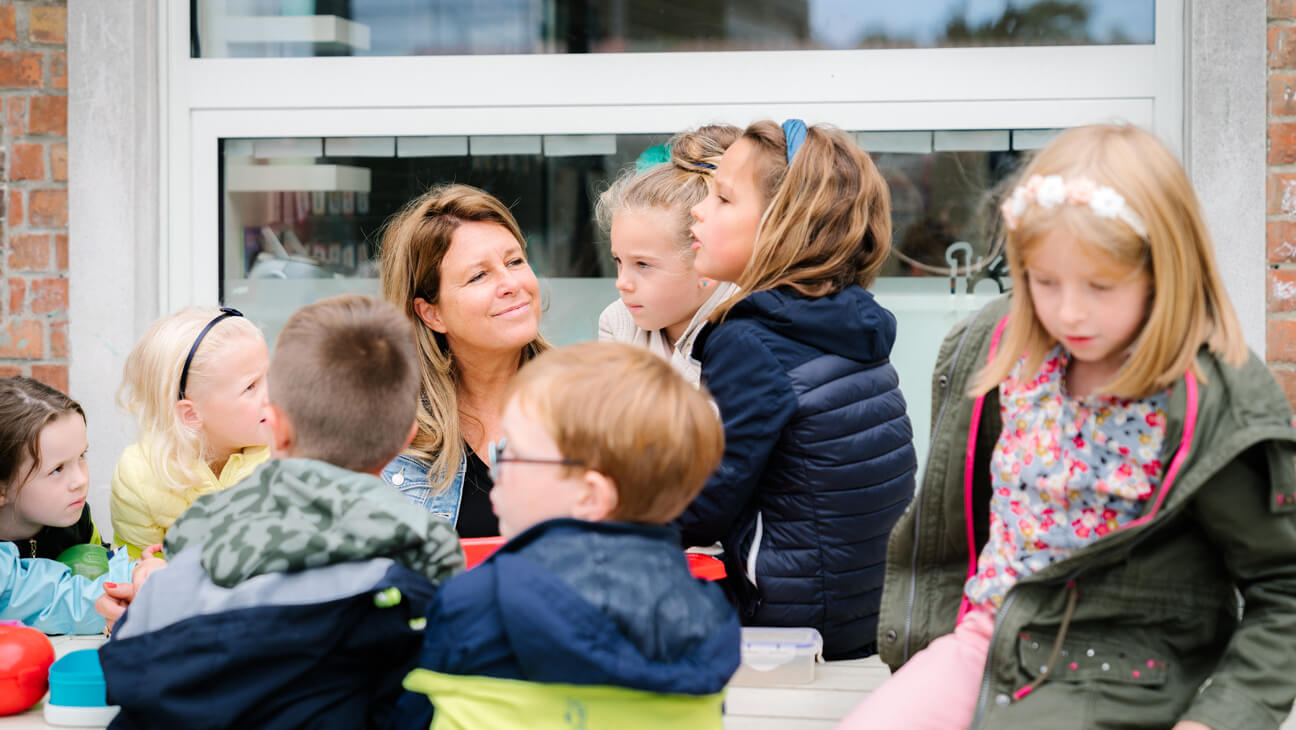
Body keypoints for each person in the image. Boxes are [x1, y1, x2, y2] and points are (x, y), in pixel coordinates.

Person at [855, 124, 1296, 730]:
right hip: (984, 645)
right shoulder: (998, 348)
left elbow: (1284, 588)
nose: (1068, 312)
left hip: (1124, 676)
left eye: (1100, 286)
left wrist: (1220, 718)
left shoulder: (1213, 398)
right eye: (1044, 282)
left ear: (1164, 270)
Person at [99, 294, 465, 730]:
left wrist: (151, 593)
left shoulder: (192, 554)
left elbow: (128, 666)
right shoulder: (421, 558)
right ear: (408, 436)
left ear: (277, 428)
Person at [387, 341, 739, 730]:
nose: (495, 469)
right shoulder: (709, 614)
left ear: (590, 495)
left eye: (513, 453)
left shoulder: (470, 601)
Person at [672, 119, 917, 660]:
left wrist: (607, 530)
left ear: (786, 226)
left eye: (723, 197)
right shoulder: (853, 322)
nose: (697, 208)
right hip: (863, 616)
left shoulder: (751, 342)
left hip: (786, 628)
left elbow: (706, 499)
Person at [379, 184, 548, 536]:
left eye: (514, 261)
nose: (510, 283)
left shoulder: (589, 403)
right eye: (479, 275)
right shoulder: (392, 433)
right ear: (431, 314)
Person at [110, 307, 271, 558]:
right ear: (192, 415)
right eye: (251, 387)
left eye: (269, 376)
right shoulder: (140, 477)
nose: (273, 394)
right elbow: (136, 568)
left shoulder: (290, 450)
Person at [596, 125, 741, 384]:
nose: (622, 283)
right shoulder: (617, 322)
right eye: (618, 261)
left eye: (643, 264)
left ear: (705, 263)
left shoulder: (748, 330)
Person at [0, 376, 103, 559]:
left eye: (81, 456)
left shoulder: (77, 523)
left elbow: (102, 563)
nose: (81, 480)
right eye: (58, 469)